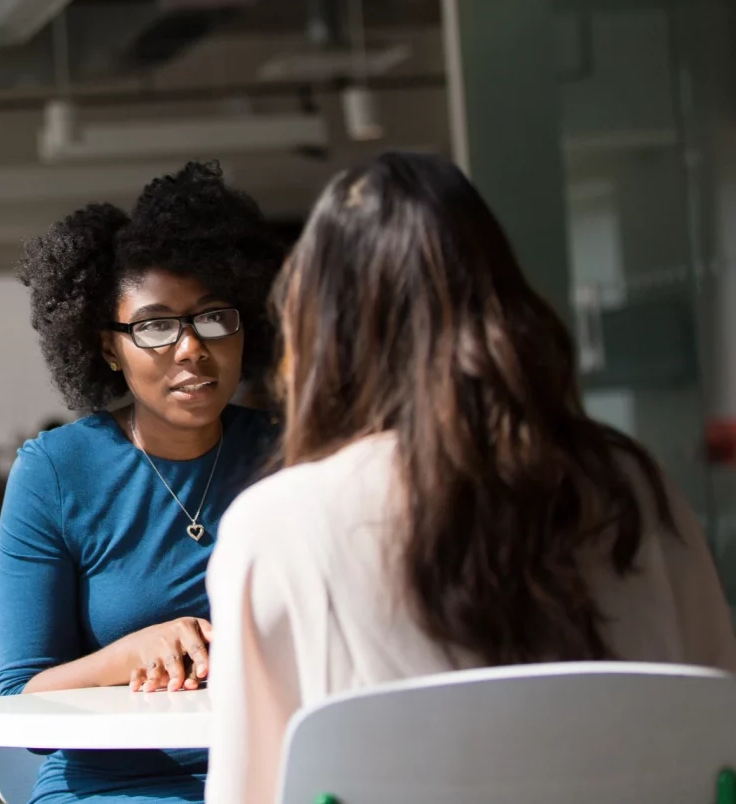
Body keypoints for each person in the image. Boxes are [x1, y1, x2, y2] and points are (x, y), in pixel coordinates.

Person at [205, 151, 736, 804]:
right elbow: (720, 741)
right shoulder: (631, 487)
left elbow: (245, 793)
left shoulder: (278, 527)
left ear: (322, 331)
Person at [0, 162, 282, 804]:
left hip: (277, 774)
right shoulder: (55, 472)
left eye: (213, 318)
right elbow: (21, 705)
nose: (190, 348)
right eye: (155, 326)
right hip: (114, 787)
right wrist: (134, 654)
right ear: (107, 348)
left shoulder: (289, 454)